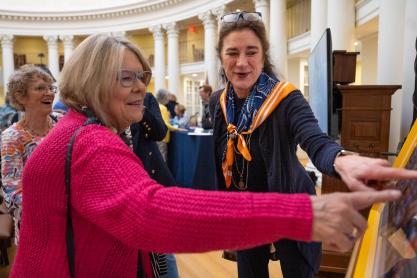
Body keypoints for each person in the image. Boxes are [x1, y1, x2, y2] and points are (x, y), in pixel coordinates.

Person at [10, 34, 415, 277]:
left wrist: (341, 157)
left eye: (143, 78)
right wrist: (305, 214)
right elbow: (151, 213)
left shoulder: (80, 132)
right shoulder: (89, 141)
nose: (140, 89)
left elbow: (315, 139)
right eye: (126, 78)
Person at [209, 11, 413, 278]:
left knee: (299, 272)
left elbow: (315, 140)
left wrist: (341, 158)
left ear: (263, 55)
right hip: (248, 209)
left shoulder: (286, 98)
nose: (242, 63)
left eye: (251, 52)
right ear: (221, 57)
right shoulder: (218, 101)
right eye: (232, 53)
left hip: (291, 204)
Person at [1, 64, 59, 245]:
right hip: (36, 225)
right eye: (40, 88)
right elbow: (12, 190)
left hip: (71, 220)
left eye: (51, 88)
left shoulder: (61, 125)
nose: (49, 93)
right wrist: (49, 210)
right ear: (20, 96)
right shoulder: (12, 137)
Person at [127, 92, 179, 278]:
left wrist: (139, 106)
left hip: (150, 180)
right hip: (122, 186)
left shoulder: (146, 98)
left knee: (162, 247)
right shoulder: (106, 98)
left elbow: (160, 132)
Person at [155, 88, 186, 162]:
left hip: (156, 136)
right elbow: (166, 124)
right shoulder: (163, 108)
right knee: (162, 159)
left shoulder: (156, 106)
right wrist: (178, 129)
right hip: (162, 137)